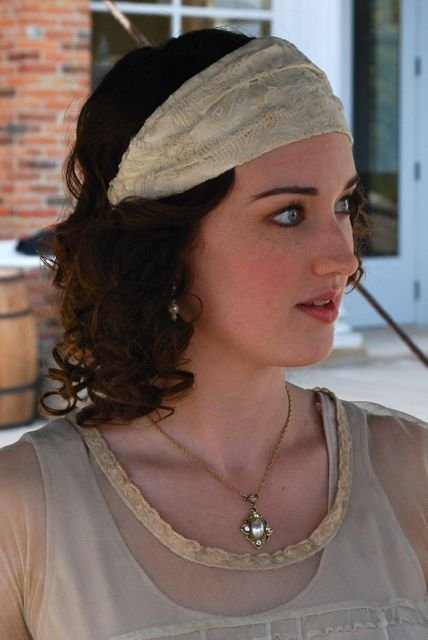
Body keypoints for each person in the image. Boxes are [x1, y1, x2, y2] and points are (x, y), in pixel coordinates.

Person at [0, 28, 427, 639]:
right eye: (288, 214)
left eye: (342, 205)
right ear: (165, 245)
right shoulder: (24, 511)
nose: (343, 257)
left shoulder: (411, 470)